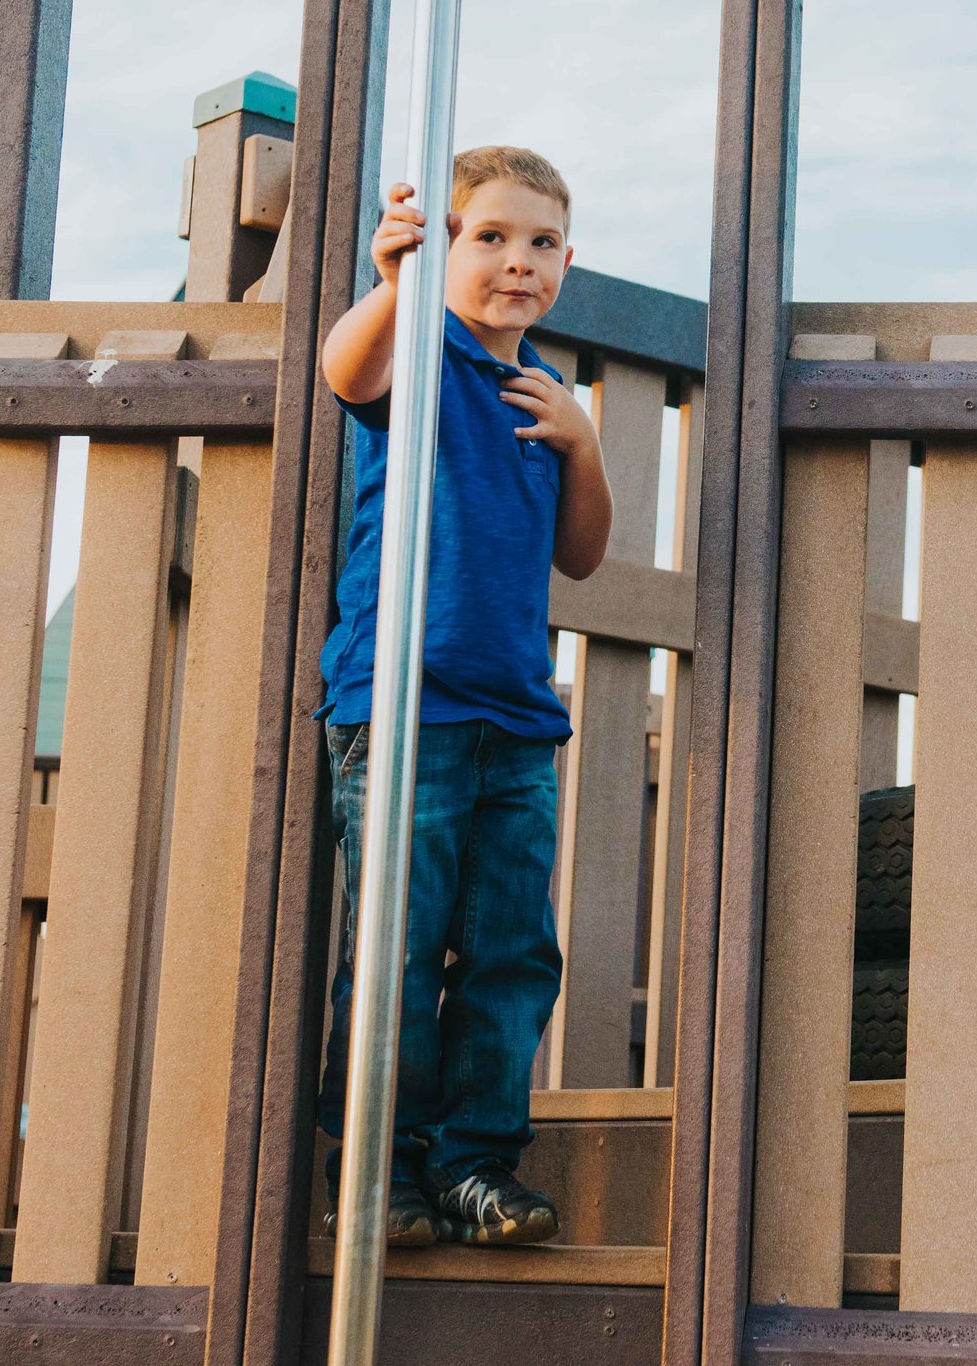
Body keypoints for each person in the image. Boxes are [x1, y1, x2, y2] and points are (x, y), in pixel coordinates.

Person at [313, 145, 612, 1247]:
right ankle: (377, 1168)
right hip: (401, 708)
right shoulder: (421, 352)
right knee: (397, 943)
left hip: (515, 723)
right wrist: (391, 283)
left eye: (540, 244)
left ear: (566, 263)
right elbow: (347, 373)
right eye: (488, 237)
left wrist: (584, 446)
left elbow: (579, 556)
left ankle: (475, 1165)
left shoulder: (541, 393)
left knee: (511, 953)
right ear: (444, 246)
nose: (517, 262)